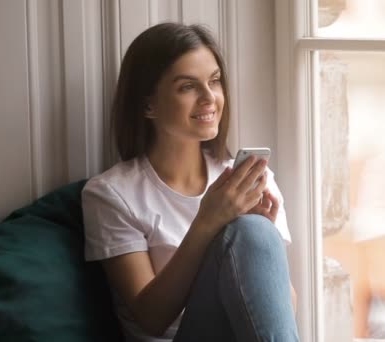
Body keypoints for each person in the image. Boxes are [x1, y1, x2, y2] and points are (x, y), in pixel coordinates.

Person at [82, 22, 299, 342]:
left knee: (251, 230)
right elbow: (150, 319)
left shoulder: (248, 178)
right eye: (187, 87)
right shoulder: (111, 195)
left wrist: (262, 233)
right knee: (246, 230)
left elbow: (283, 314)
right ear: (148, 105)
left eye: (214, 82)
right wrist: (207, 222)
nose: (209, 98)